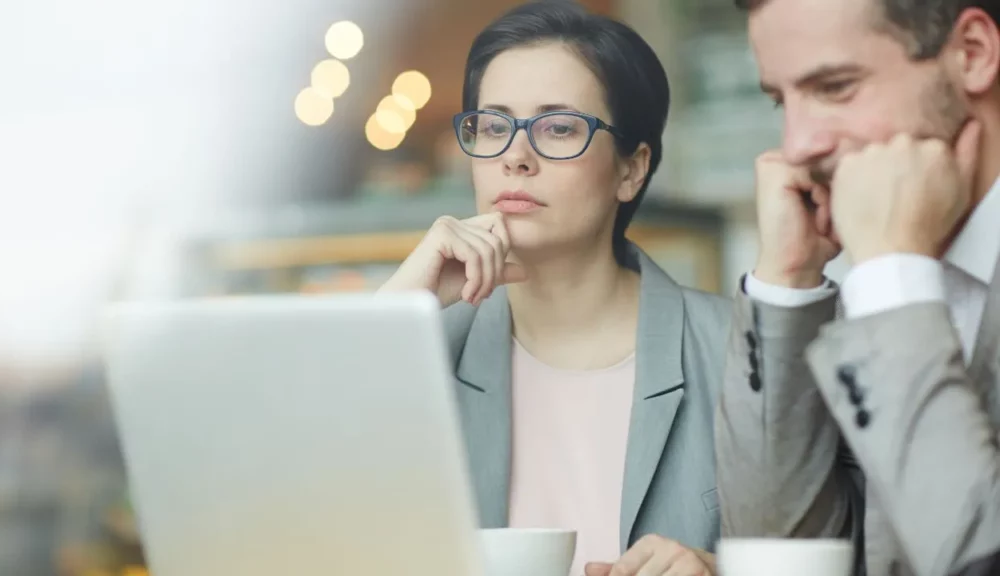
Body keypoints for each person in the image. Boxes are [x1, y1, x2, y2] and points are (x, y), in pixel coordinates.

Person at [379, 2, 730, 575]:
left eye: (558, 128)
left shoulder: (739, 352)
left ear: (631, 170)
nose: (515, 157)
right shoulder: (417, 353)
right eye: (494, 126)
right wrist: (395, 315)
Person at [714, 0, 1000, 574]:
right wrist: (787, 281)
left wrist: (891, 278)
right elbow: (782, 553)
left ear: (971, 54)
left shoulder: (882, 284)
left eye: (836, 87)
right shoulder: (862, 288)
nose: (797, 146)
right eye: (780, 100)